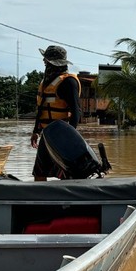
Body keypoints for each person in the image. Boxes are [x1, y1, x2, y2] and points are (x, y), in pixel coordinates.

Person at [30, 45, 82, 180]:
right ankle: (40, 199)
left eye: (45, 61)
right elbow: (41, 108)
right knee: (39, 173)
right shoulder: (46, 82)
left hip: (61, 136)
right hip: (47, 134)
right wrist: (36, 131)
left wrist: (70, 137)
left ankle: (67, 199)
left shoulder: (68, 82)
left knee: (66, 173)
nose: (44, 63)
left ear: (50, 62)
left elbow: (76, 112)